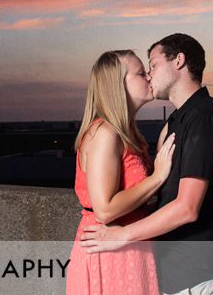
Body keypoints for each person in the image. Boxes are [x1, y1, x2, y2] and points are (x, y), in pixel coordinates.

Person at [81, 34, 213, 295]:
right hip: (174, 273)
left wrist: (123, 235)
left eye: (153, 66)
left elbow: (187, 208)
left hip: (204, 276)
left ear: (178, 61)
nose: (149, 75)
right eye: (143, 71)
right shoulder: (175, 123)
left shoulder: (204, 118)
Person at [67, 50, 177, 295]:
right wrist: (157, 177)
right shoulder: (104, 134)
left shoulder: (127, 133)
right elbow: (105, 209)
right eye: (140, 73)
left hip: (130, 249)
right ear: (118, 86)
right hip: (109, 253)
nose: (149, 76)